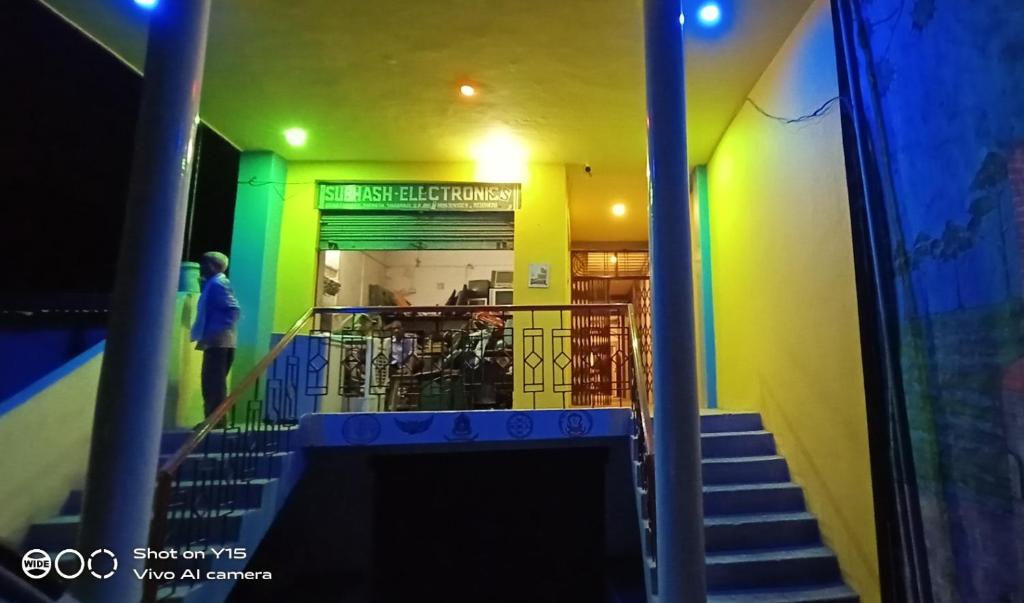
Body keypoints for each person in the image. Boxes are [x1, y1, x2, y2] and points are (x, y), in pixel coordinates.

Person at [190, 251, 241, 425]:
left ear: (213, 265)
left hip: (219, 341)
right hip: (218, 340)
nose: (201, 267)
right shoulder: (215, 284)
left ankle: (215, 421)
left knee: (213, 381)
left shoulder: (219, 283)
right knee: (213, 381)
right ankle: (214, 419)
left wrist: (218, 330)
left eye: (204, 263)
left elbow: (233, 309)